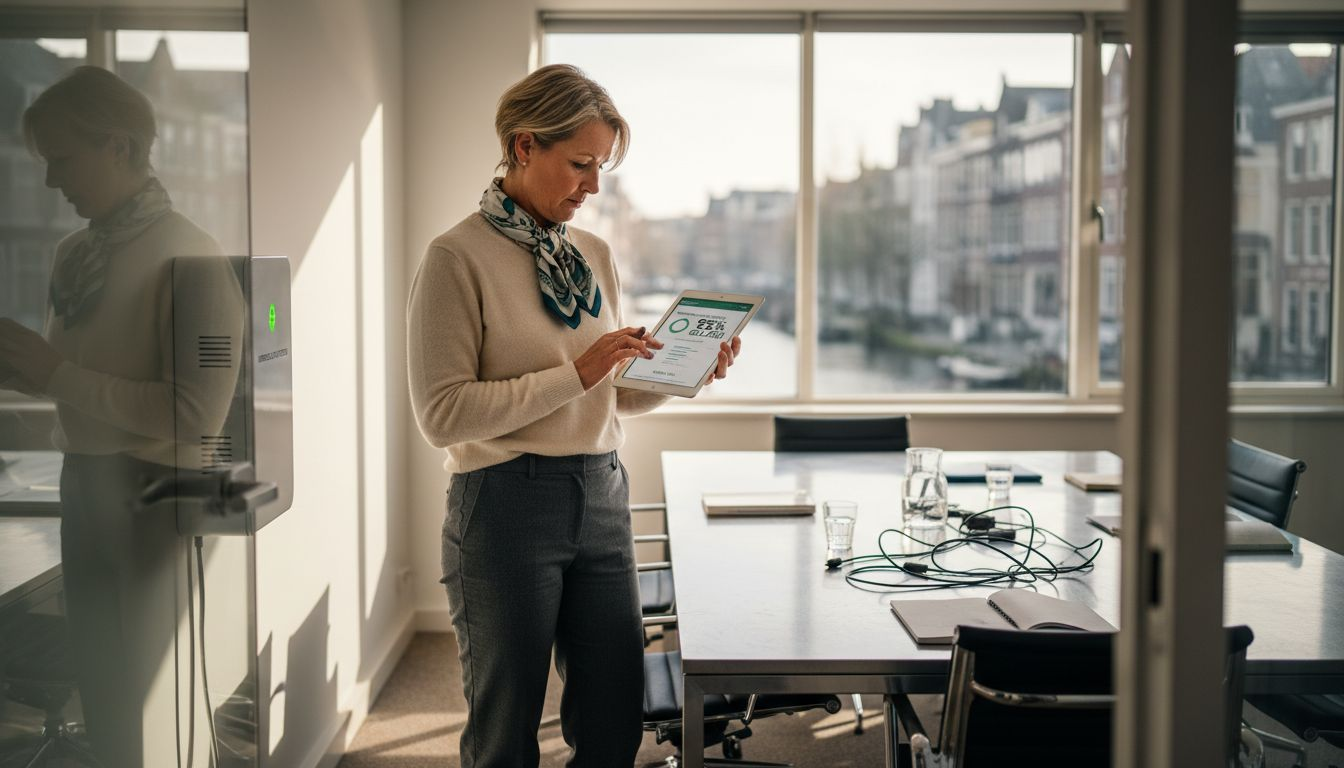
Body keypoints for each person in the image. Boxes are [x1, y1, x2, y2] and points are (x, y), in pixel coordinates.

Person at [407, 63, 742, 766]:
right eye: (581, 164)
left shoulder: (592, 254)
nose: (593, 186)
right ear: (524, 146)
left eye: (601, 168)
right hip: (503, 503)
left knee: (615, 720)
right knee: (505, 732)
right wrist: (578, 371)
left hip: (602, 493)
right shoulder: (454, 258)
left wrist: (687, 374)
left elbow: (607, 395)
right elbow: (442, 414)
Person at [0, 65, 241, 768]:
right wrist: (28, 372)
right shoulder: (73, 255)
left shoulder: (193, 256)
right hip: (84, 486)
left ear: (119, 147)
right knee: (103, 694)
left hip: (152, 503)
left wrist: (54, 373)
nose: (51, 181)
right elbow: (82, 383)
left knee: (154, 702)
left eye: (62, 160)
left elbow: (196, 414)